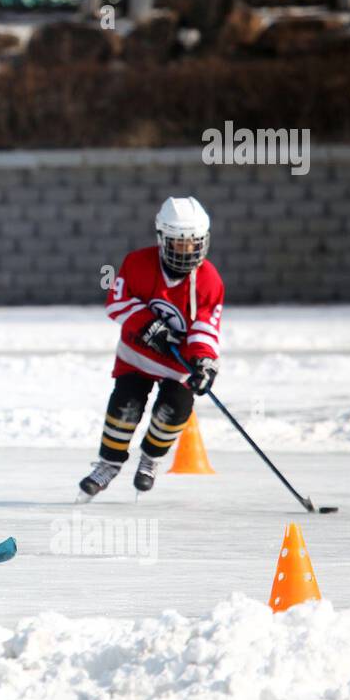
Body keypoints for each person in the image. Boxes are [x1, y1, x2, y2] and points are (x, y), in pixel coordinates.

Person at [78, 196, 224, 500]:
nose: (186, 251)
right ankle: (109, 464)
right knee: (124, 406)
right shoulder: (137, 263)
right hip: (137, 358)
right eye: (178, 244)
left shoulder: (209, 280)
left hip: (178, 364)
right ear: (162, 239)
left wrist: (203, 362)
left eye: (193, 244)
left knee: (175, 411)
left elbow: (207, 324)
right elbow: (116, 302)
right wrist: (148, 325)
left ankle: (150, 460)